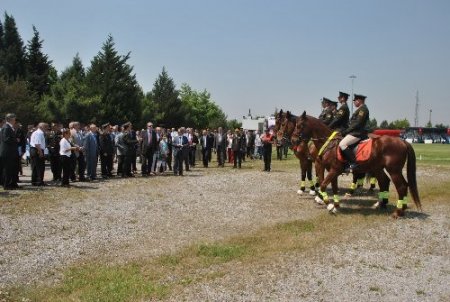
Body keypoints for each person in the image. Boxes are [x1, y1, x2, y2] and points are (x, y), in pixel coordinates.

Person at [339, 94, 370, 172]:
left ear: (359, 100)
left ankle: (354, 162)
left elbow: (357, 123)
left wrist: (346, 131)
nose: (354, 102)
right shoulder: (359, 109)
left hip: (358, 133)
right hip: (354, 132)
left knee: (342, 144)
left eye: (355, 101)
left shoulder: (363, 109)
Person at [0, 113, 19, 189]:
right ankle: (7, 184)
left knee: (12, 169)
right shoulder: (6, 127)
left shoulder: (9, 127)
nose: (15, 120)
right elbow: (6, 139)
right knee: (7, 169)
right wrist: (15, 140)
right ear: (11, 119)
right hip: (7, 152)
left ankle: (12, 183)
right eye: (14, 118)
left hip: (11, 152)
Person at [30, 122, 48, 186]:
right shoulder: (39, 133)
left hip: (34, 150)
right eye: (45, 127)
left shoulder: (35, 132)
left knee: (35, 166)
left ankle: (34, 181)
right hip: (37, 150)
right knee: (40, 167)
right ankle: (39, 181)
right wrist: (40, 152)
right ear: (41, 127)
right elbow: (37, 144)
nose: (47, 128)